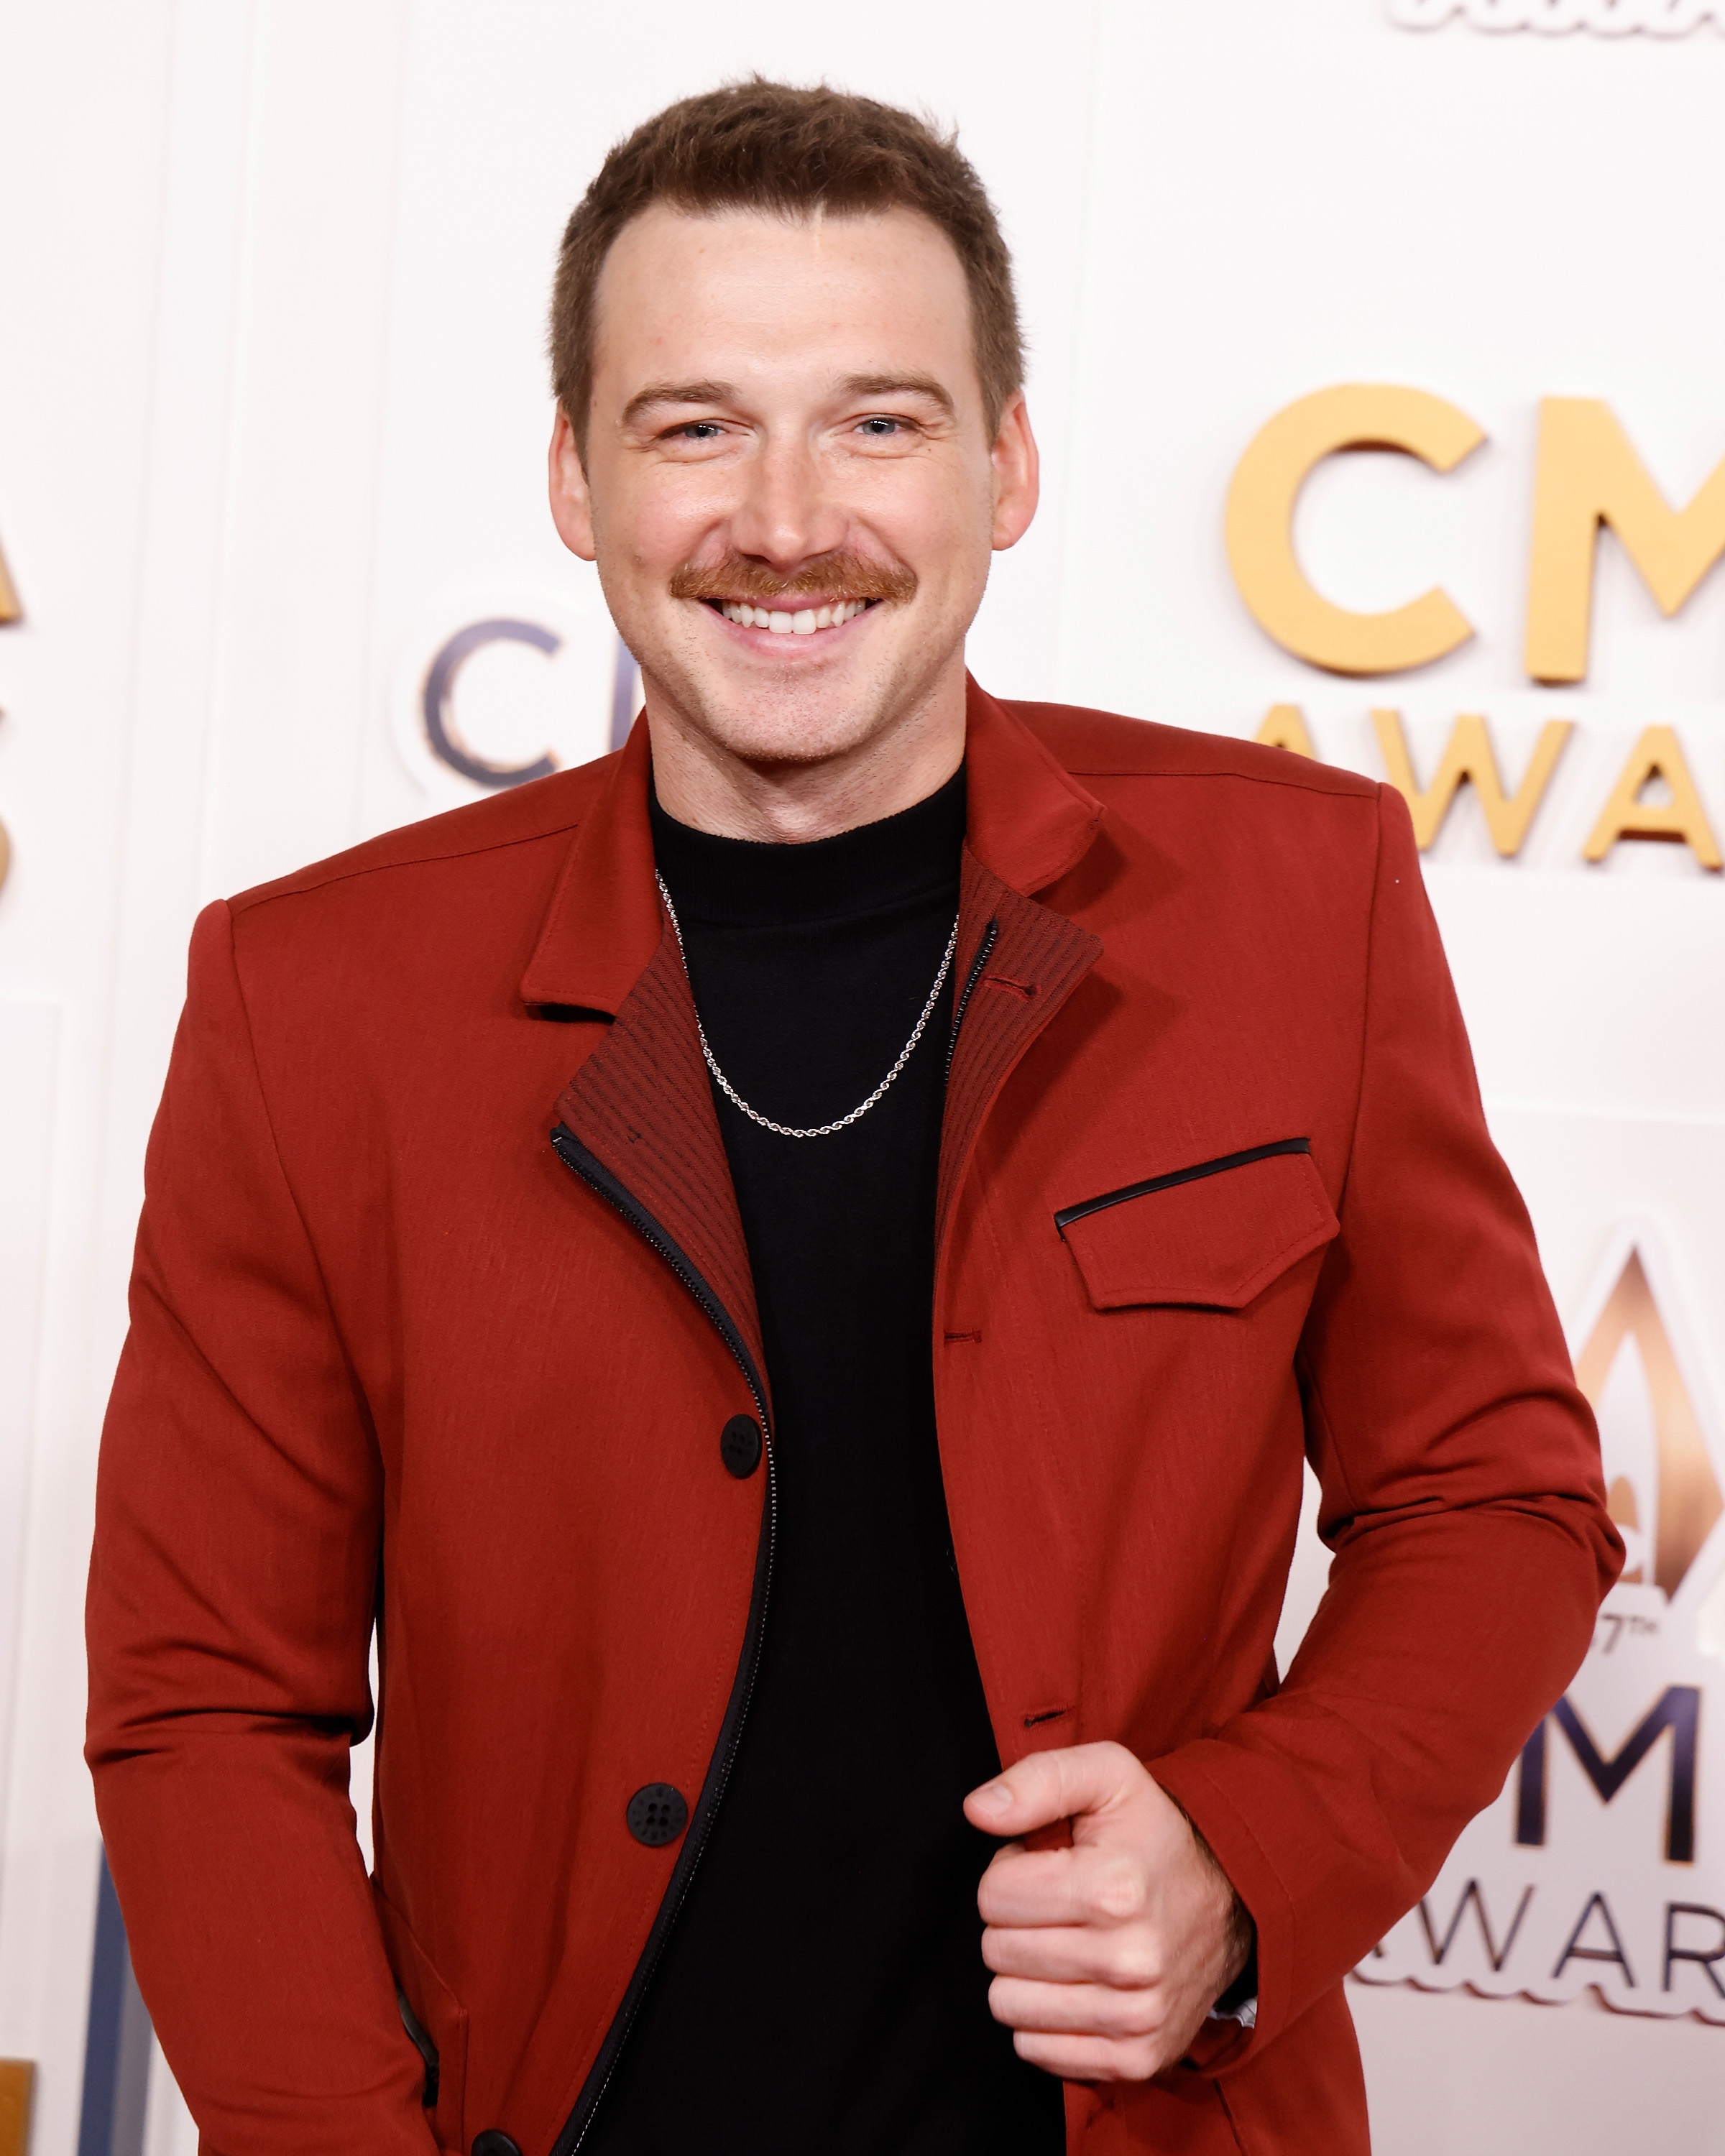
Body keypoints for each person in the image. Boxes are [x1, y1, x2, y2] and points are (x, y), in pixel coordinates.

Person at [86, 78, 1620, 2156]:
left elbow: (1498, 1499)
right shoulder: (311, 999)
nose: (788, 517)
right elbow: (207, 1704)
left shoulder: (1298, 899)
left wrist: (1248, 1861)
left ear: (1009, 468)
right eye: (694, 424)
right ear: (571, 475)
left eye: (881, 422)